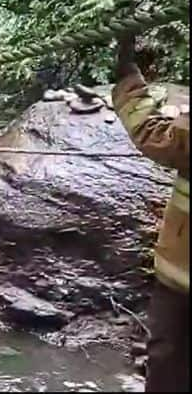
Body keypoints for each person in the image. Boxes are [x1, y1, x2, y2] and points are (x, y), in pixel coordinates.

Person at [111, 35, 188, 392]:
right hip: (180, 276)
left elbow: (153, 135)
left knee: (168, 361)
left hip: (182, 277)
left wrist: (127, 76)